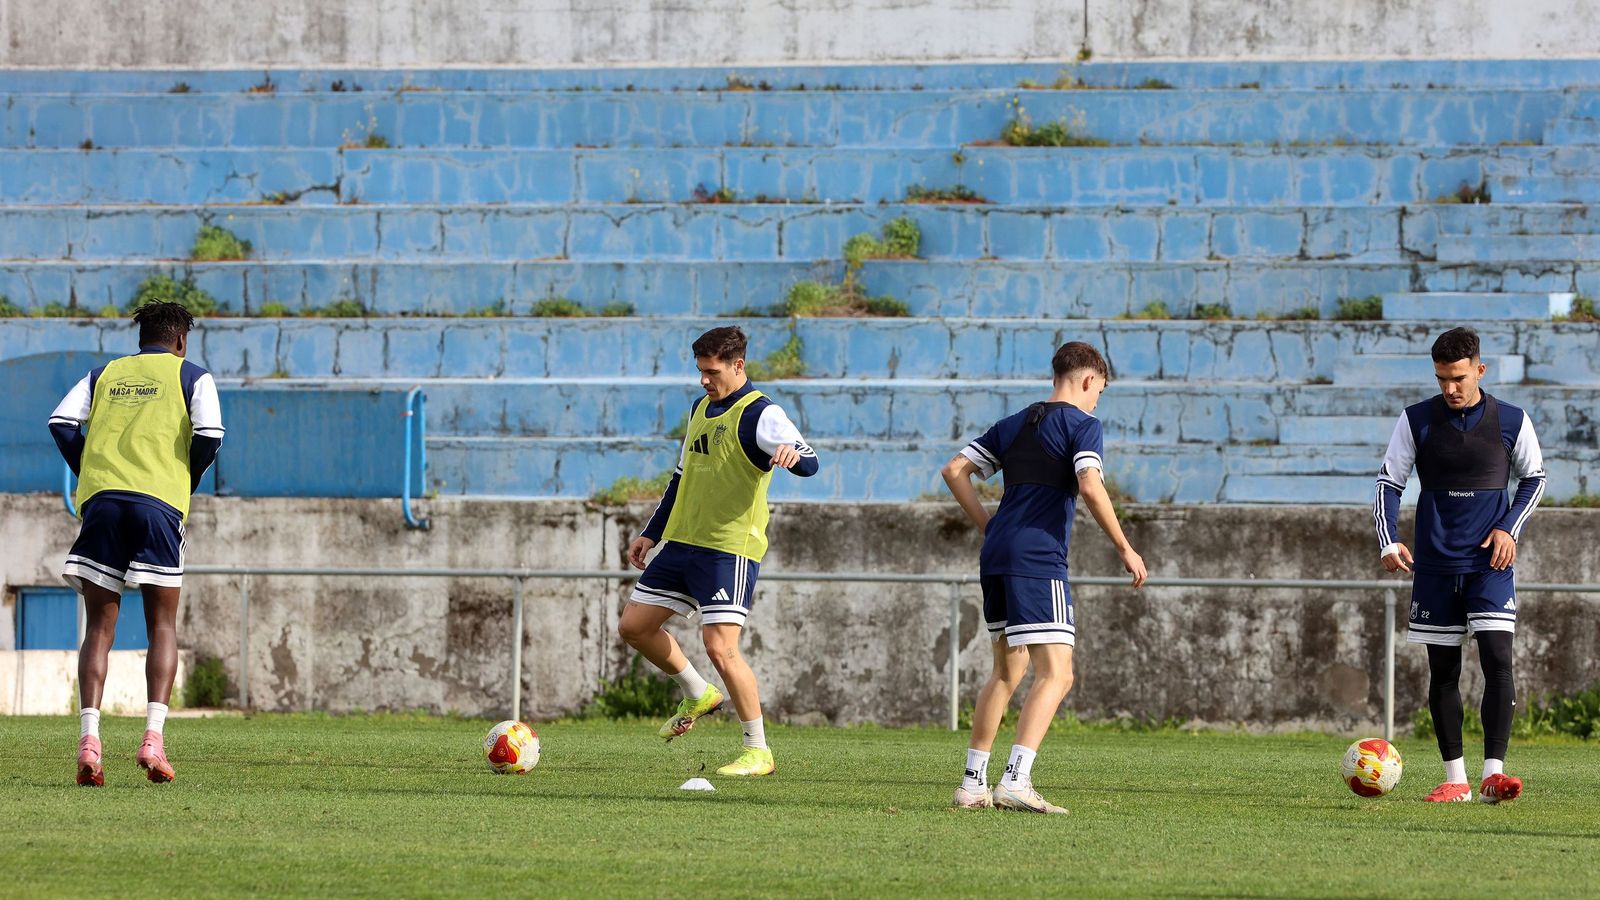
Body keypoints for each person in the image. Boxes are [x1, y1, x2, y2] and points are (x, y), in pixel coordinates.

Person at [942, 341, 1147, 814]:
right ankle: (1016, 780)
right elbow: (1090, 484)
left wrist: (990, 525)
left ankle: (973, 784)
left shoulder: (1016, 423)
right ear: (1089, 380)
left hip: (995, 555)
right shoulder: (1084, 425)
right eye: (1100, 391)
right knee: (1058, 673)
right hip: (1037, 558)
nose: (1097, 401)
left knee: (1007, 671)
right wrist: (1124, 547)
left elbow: (955, 471)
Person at [620, 326, 819, 776]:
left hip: (727, 549)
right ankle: (698, 693)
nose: (704, 381)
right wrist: (652, 532)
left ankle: (758, 750)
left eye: (712, 372)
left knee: (720, 647)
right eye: (700, 372)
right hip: (683, 541)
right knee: (634, 626)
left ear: (738, 365)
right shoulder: (699, 408)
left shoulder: (761, 413)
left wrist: (791, 453)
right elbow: (680, 476)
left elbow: (810, 461)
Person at [48, 301, 225, 786]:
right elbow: (209, 434)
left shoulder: (105, 374)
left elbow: (61, 422)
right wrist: (183, 478)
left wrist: (90, 471)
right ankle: (152, 739)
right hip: (159, 505)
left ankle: (89, 740)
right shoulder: (193, 376)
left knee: (99, 628)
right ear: (181, 341)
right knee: (161, 624)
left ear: (140, 337)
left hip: (103, 502)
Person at [1373, 326, 1545, 804]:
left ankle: (1494, 775)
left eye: (1459, 378)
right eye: (1442, 378)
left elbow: (1535, 479)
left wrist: (1509, 528)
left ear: (1479, 370)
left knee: (1497, 660)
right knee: (1443, 671)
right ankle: (1457, 780)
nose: (1450, 388)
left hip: (1490, 563)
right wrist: (1389, 541)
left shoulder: (1512, 419)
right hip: (1434, 563)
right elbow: (1388, 482)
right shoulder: (1416, 420)